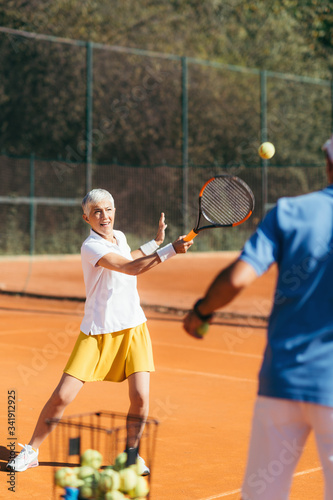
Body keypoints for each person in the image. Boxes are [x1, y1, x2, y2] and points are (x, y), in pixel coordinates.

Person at [183, 136, 333, 500]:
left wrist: (201, 311)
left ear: (328, 163)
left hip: (281, 381)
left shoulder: (289, 212)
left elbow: (238, 278)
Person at [8, 188, 193, 473]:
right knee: (63, 396)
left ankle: (131, 455)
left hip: (133, 327)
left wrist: (155, 243)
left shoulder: (118, 236)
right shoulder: (90, 246)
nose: (103, 215)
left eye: (108, 209)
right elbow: (130, 268)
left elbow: (127, 255)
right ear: (86, 218)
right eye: (96, 212)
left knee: (141, 398)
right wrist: (170, 251)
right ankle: (32, 450)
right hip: (96, 332)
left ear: (114, 211)